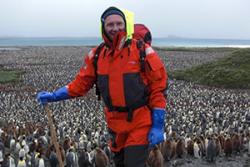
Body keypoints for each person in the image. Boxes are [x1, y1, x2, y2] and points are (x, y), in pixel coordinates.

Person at [37, 6, 168, 167]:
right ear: (103, 27)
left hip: (139, 121)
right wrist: (55, 95)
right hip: (114, 124)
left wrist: (158, 123)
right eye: (110, 24)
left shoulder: (142, 50)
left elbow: (159, 87)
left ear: (125, 25)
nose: (115, 28)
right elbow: (80, 84)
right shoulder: (97, 55)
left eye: (119, 23)